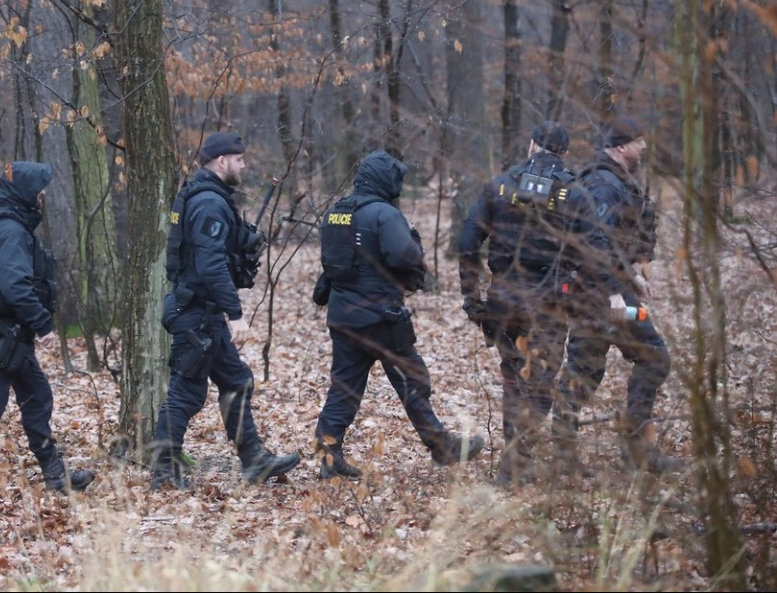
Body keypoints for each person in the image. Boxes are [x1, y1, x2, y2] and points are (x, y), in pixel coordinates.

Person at [313, 150, 484, 478]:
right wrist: (415, 244)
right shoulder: (384, 214)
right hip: (381, 318)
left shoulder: (336, 212)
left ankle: (329, 457)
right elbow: (404, 257)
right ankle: (442, 447)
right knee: (413, 378)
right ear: (384, 180)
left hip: (344, 318)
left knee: (344, 388)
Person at [458, 122, 611, 486]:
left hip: (503, 301)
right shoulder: (575, 195)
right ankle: (514, 465)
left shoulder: (499, 186)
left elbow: (467, 241)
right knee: (540, 384)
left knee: (514, 379)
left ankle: (515, 460)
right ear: (563, 153)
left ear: (532, 145)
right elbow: (597, 253)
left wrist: (471, 294)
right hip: (549, 305)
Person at [151, 132, 301, 490]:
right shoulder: (208, 203)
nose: (244, 165)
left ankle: (254, 461)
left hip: (203, 311)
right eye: (239, 159)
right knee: (186, 392)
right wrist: (235, 314)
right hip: (197, 312)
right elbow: (210, 262)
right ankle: (163, 469)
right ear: (222, 162)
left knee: (236, 380)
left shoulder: (204, 196)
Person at [0, 161, 94, 494]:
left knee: (37, 398)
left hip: (13, 337)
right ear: (26, 191)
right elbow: (15, 285)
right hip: (4, 336)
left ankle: (56, 476)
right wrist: (43, 323)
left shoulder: (3, 223)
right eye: (39, 188)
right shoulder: (10, 231)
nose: (43, 194)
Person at [553, 116, 676, 474]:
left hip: (605, 294)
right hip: (605, 299)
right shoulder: (604, 185)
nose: (644, 148)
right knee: (648, 358)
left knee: (588, 368)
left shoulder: (611, 180)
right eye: (639, 142)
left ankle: (580, 452)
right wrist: (615, 296)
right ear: (622, 146)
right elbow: (592, 248)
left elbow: (613, 243)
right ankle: (630, 450)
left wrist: (633, 274)